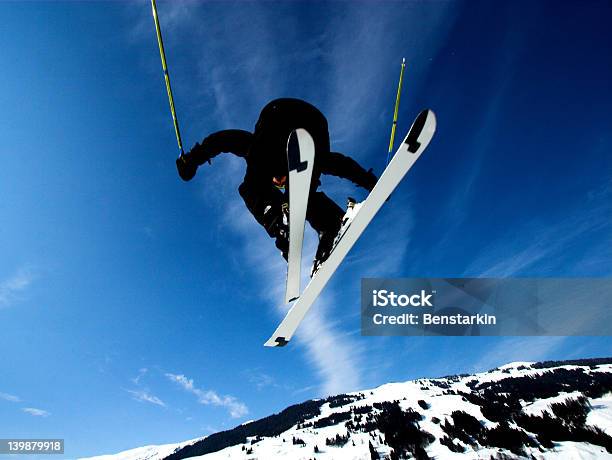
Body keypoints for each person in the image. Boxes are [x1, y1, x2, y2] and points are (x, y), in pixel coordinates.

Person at [176, 98, 377, 267]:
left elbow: (225, 140)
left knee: (253, 185)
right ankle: (331, 224)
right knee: (302, 191)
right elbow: (335, 163)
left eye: (278, 182)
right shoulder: (300, 165)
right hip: (316, 126)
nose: (279, 181)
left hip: (279, 115)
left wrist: (193, 159)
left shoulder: (259, 149)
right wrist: (369, 182)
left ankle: (278, 222)